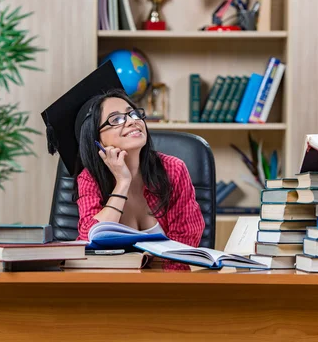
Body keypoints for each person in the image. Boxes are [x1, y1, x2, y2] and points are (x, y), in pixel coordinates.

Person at [41, 61, 205, 249]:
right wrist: (122, 183)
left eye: (133, 114)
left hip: (165, 276)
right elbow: (89, 240)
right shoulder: (89, 179)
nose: (131, 121)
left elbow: (186, 241)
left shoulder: (172, 169)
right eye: (117, 119)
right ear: (97, 141)